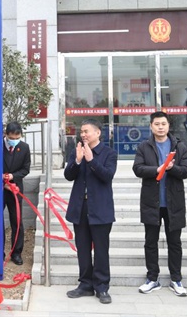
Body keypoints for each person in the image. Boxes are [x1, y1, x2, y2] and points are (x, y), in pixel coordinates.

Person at [133, 112, 187, 297]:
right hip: (151, 201)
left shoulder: (179, 146)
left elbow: (186, 170)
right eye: (157, 124)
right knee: (150, 242)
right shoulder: (144, 146)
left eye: (163, 124)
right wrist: (156, 170)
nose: (160, 127)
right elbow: (137, 168)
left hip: (174, 202)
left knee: (175, 242)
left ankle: (176, 279)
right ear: (151, 126)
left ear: (168, 126)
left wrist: (172, 168)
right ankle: (152, 278)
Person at [64, 119, 118, 305]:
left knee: (101, 249)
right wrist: (78, 161)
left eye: (86, 131)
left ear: (97, 133)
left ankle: (102, 287)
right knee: (83, 248)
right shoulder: (76, 151)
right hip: (80, 207)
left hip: (100, 208)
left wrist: (91, 160)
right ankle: (85, 284)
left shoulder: (109, 153)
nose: (83, 134)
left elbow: (107, 176)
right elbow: (68, 175)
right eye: (81, 132)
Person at [2, 121, 31, 265]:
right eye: (11, 138)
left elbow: (26, 169)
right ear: (6, 135)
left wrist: (13, 176)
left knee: (17, 221)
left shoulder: (24, 148)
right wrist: (2, 180)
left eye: (17, 138)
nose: (14, 140)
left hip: (15, 189)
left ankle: (16, 253)